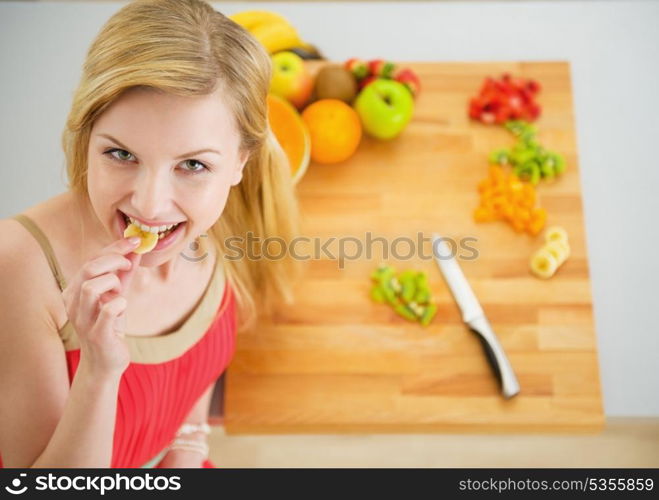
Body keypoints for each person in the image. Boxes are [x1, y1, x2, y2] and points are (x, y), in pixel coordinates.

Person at [0, 0, 301, 468]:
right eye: (121, 155)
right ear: (86, 137)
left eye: (193, 164)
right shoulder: (19, 266)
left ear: (240, 163)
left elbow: (189, 380)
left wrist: (187, 449)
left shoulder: (218, 221)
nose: (149, 204)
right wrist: (100, 370)